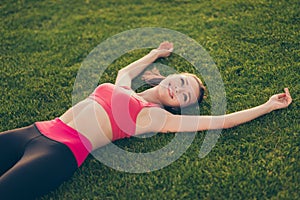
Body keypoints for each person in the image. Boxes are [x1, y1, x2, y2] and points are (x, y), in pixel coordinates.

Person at [0, 41, 292, 199]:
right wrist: (155, 53)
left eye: (183, 96)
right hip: (36, 130)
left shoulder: (155, 118)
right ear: (171, 76)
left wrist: (267, 106)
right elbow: (124, 73)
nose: (177, 89)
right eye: (180, 82)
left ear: (179, 107)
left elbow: (223, 121)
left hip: (59, 152)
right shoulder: (124, 89)